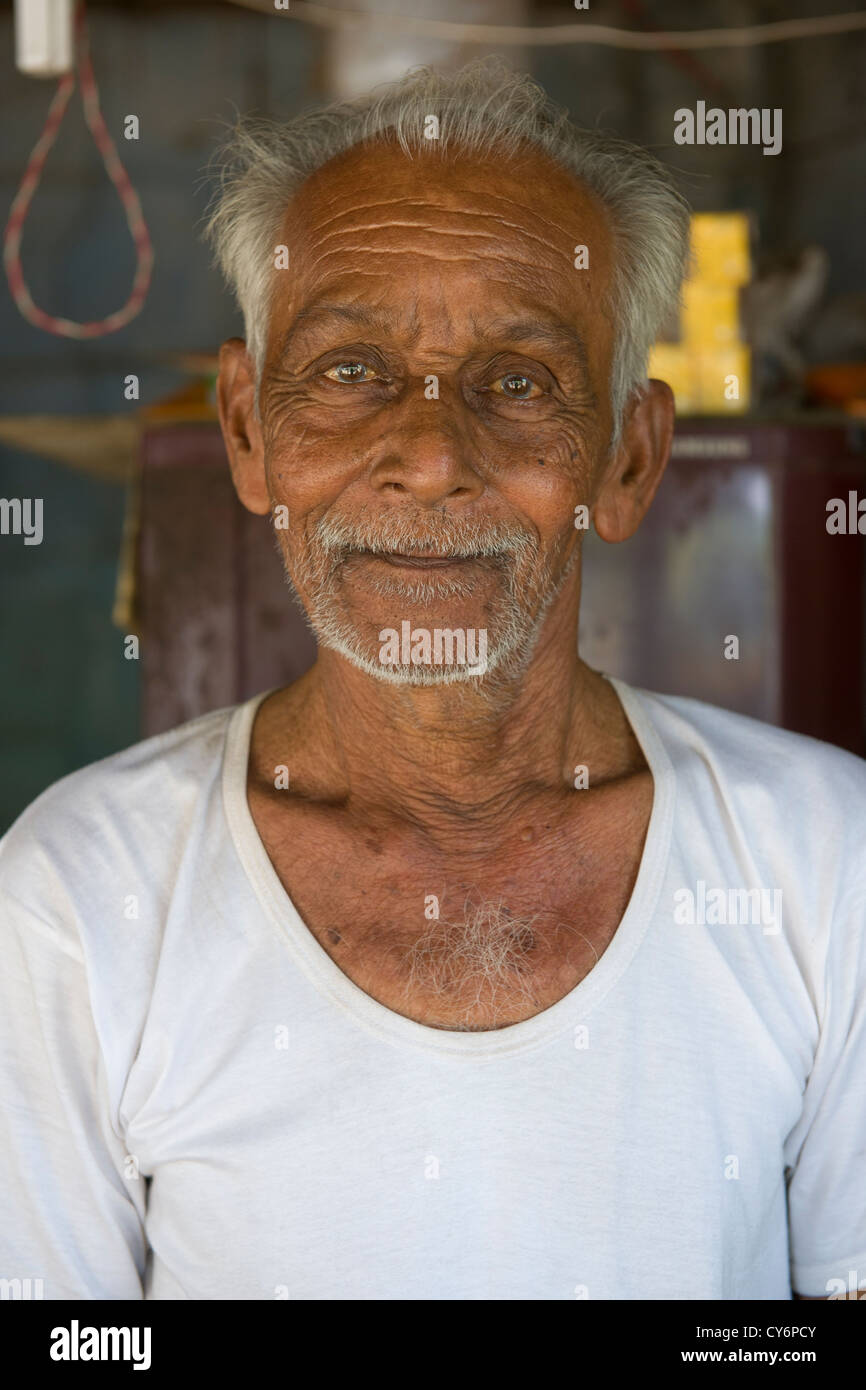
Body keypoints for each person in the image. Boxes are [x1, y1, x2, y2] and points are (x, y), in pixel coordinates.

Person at [1, 59, 864, 1301]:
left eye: (515, 383)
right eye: (349, 370)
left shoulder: (821, 869)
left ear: (626, 459)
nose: (426, 455)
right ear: (247, 433)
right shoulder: (78, 905)